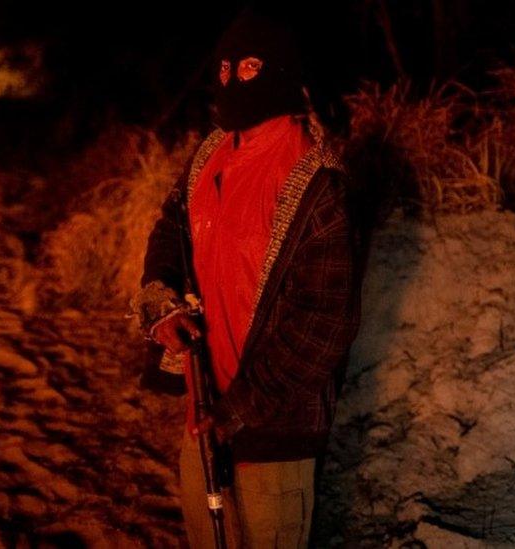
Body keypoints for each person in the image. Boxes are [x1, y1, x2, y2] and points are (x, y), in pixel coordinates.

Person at [129, 8, 367, 549]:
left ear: (281, 72)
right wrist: (162, 302)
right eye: (225, 68)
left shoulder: (319, 184)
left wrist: (237, 411)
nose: (234, 80)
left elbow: (324, 324)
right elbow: (172, 229)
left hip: (273, 429)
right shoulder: (211, 152)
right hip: (203, 401)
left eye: (251, 67)